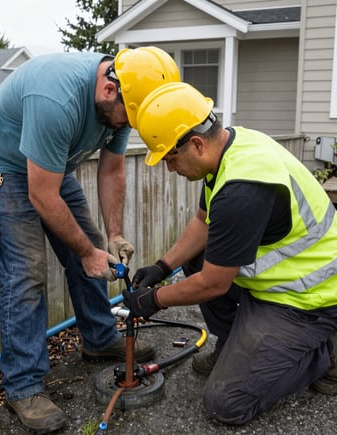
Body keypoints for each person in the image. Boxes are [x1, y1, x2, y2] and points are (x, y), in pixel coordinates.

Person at [0, 47, 180, 433]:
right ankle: (23, 386)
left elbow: (113, 169)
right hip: (1, 166)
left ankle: (98, 338)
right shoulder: (56, 96)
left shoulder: (129, 93)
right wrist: (85, 252)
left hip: (50, 163)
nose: (126, 125)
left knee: (93, 243)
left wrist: (113, 235)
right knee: (27, 270)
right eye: (129, 118)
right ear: (109, 90)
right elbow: (42, 195)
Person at [123, 82, 337, 425]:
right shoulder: (230, 148)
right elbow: (203, 220)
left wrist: (152, 301)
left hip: (307, 300)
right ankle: (235, 346)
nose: (169, 168)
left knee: (226, 404)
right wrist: (162, 267)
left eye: (170, 158)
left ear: (195, 143)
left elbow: (213, 284)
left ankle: (324, 353)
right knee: (196, 258)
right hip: (277, 286)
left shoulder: (243, 190)